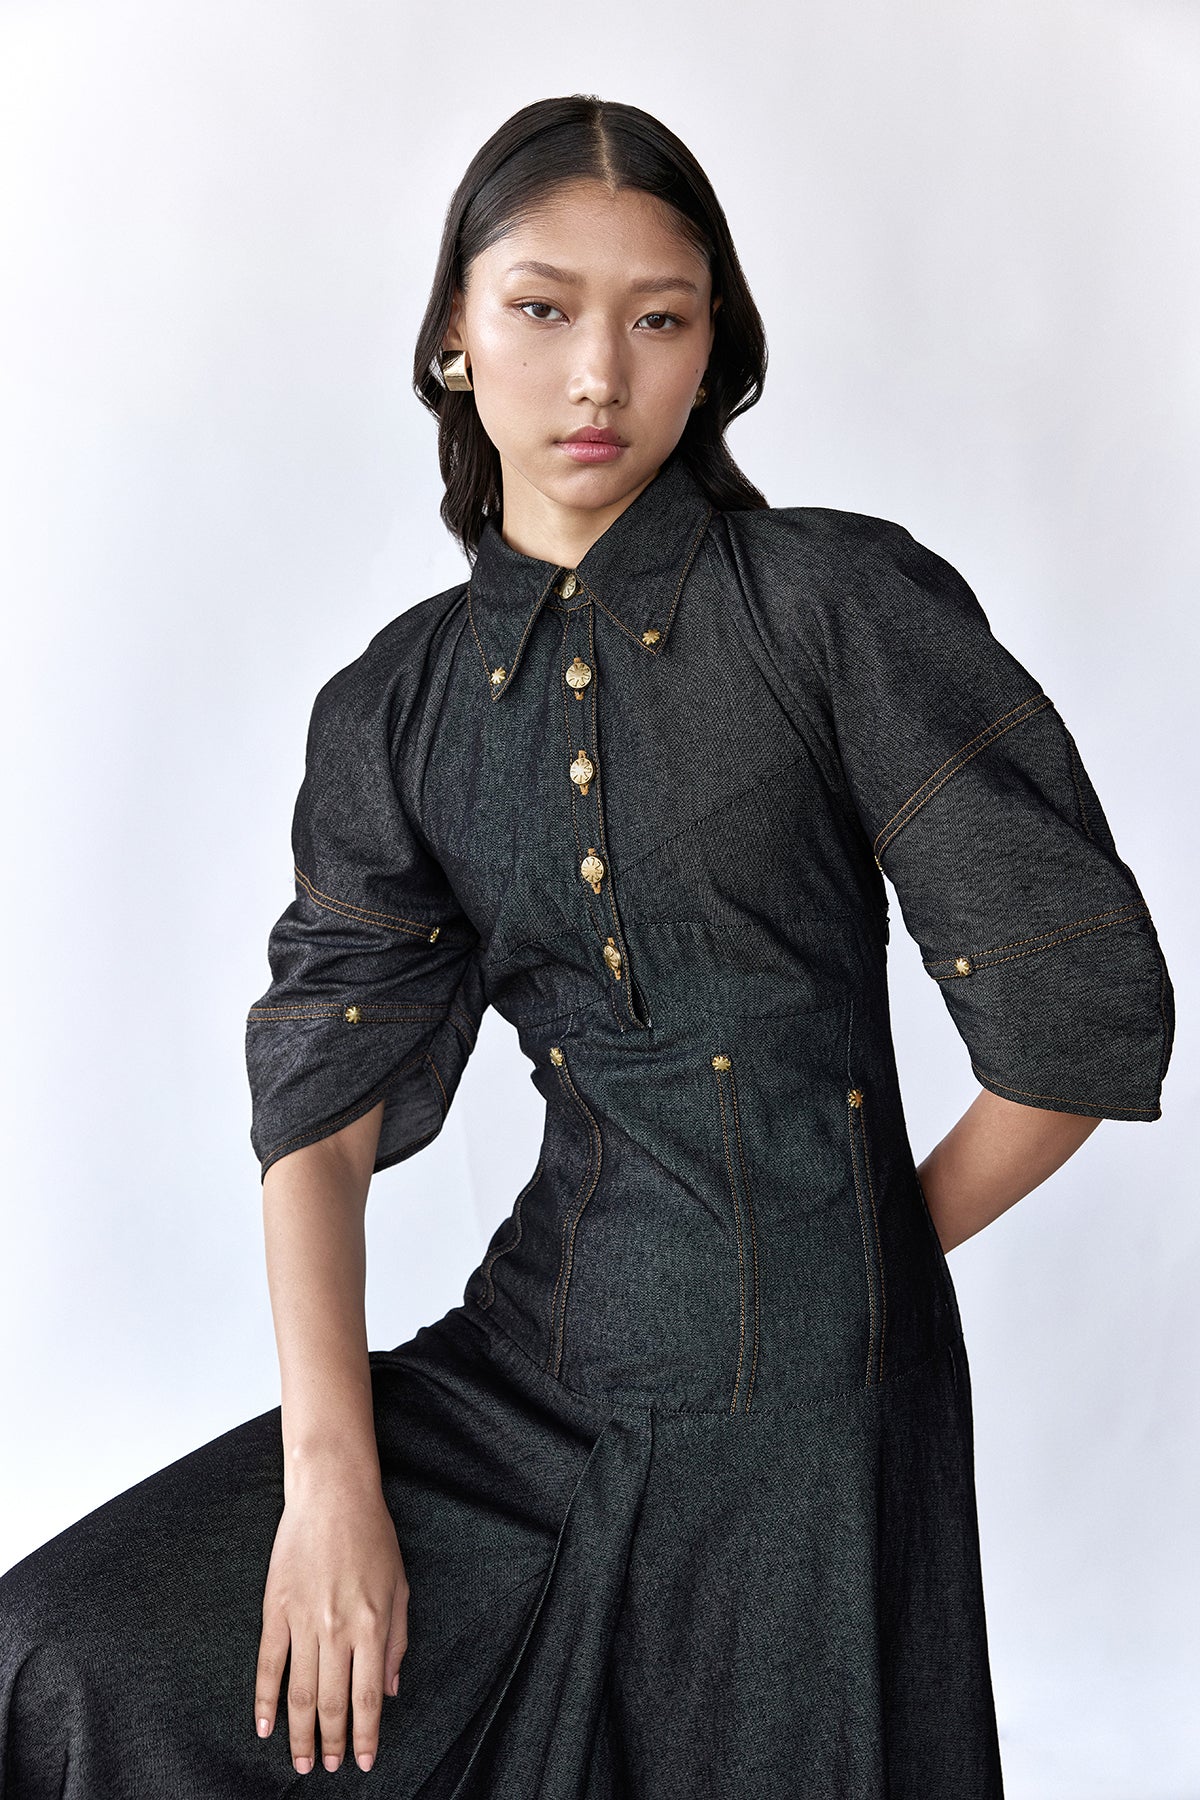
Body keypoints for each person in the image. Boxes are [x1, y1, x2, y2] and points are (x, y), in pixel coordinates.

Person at [0, 92, 1175, 1800]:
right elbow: (322, 1111)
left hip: (810, 1407)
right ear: (455, 336)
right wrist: (331, 1480)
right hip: (527, 1376)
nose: (599, 375)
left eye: (660, 320)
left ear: (715, 354)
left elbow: (1073, 1019)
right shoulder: (397, 706)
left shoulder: (829, 608)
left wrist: (845, 1268)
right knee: (68, 1658)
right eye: (543, 309)